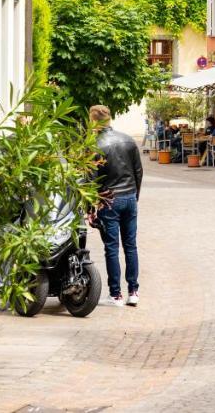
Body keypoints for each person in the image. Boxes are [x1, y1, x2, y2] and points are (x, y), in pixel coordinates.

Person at [91, 104, 143, 307]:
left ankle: (116, 294)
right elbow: (138, 171)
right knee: (130, 245)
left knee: (112, 248)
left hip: (109, 199)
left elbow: (91, 178)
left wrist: (90, 207)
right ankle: (133, 291)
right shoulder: (128, 140)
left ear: (94, 120)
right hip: (129, 196)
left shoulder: (95, 145)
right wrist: (134, 195)